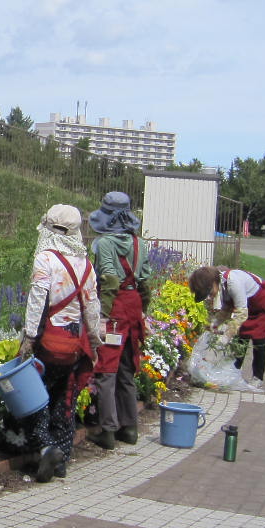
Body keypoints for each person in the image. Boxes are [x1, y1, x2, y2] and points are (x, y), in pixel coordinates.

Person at [16, 204, 102, 482]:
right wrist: (95, 342)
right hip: (74, 345)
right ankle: (62, 459)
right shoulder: (86, 265)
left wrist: (29, 338)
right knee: (65, 401)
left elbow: (37, 300)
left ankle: (45, 447)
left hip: (48, 344)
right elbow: (92, 308)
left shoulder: (45, 260)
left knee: (36, 398)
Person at [86, 191, 152, 450]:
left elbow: (110, 281)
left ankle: (108, 430)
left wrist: (102, 316)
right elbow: (145, 282)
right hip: (134, 304)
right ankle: (131, 427)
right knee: (127, 368)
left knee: (106, 370)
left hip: (115, 309)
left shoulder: (104, 244)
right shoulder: (140, 243)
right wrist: (143, 310)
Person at [187, 265, 265, 383]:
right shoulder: (222, 285)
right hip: (249, 307)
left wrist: (225, 337)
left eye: (209, 293)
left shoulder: (232, 283)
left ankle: (258, 378)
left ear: (213, 282)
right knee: (241, 339)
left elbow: (241, 315)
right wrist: (215, 324)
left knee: (259, 341)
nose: (210, 297)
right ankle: (233, 372)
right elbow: (227, 309)